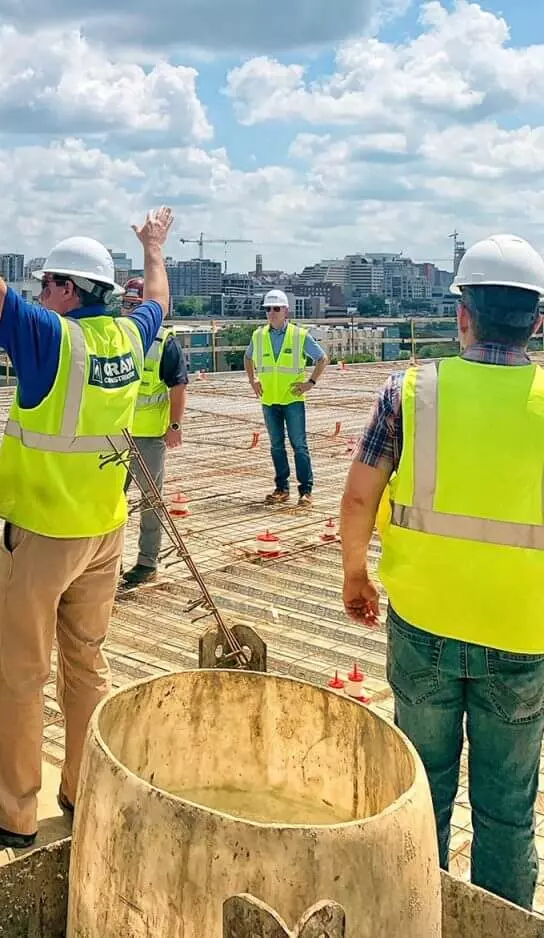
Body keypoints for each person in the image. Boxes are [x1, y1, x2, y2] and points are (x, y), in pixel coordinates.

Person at [0, 174, 174, 848]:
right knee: (87, 664)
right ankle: (83, 791)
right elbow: (160, 302)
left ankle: (10, 811)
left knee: (19, 674)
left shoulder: (54, 338)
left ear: (68, 291)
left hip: (44, 533)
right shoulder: (129, 335)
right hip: (103, 529)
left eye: (48, 281)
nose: (38, 291)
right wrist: (153, 248)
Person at [339, 233, 544, 910]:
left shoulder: (409, 391)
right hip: (523, 636)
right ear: (537, 322)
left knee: (419, 787)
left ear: (462, 314)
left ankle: (414, 915)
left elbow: (360, 496)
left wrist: (354, 576)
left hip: (424, 624)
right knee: (508, 813)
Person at [119, 276, 189, 587]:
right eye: (127, 304)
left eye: (137, 305)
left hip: (148, 436)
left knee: (150, 501)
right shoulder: (115, 336)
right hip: (114, 433)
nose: (130, 310)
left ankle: (147, 562)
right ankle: (106, 562)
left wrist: (174, 426)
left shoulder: (163, 341)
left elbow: (178, 386)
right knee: (109, 500)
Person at [245, 289, 328, 507]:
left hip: (292, 400)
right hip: (269, 400)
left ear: (285, 311)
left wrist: (310, 383)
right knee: (276, 445)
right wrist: (252, 379)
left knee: (299, 445)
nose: (271, 313)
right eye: (268, 309)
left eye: (276, 309)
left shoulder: (299, 335)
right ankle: (282, 488)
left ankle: (306, 490)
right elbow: (247, 357)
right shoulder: (259, 335)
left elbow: (322, 358)